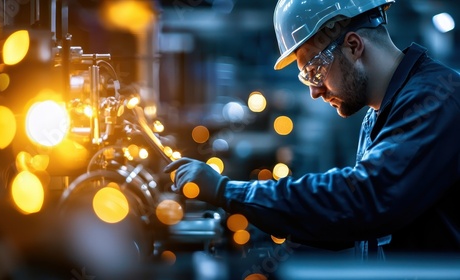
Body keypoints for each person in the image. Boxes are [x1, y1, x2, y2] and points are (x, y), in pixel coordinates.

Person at [164, 0, 460, 257]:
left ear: (354, 46)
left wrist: (227, 191)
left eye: (315, 70)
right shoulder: (381, 112)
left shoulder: (436, 99)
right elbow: (352, 224)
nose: (315, 92)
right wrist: (262, 222)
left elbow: (365, 199)